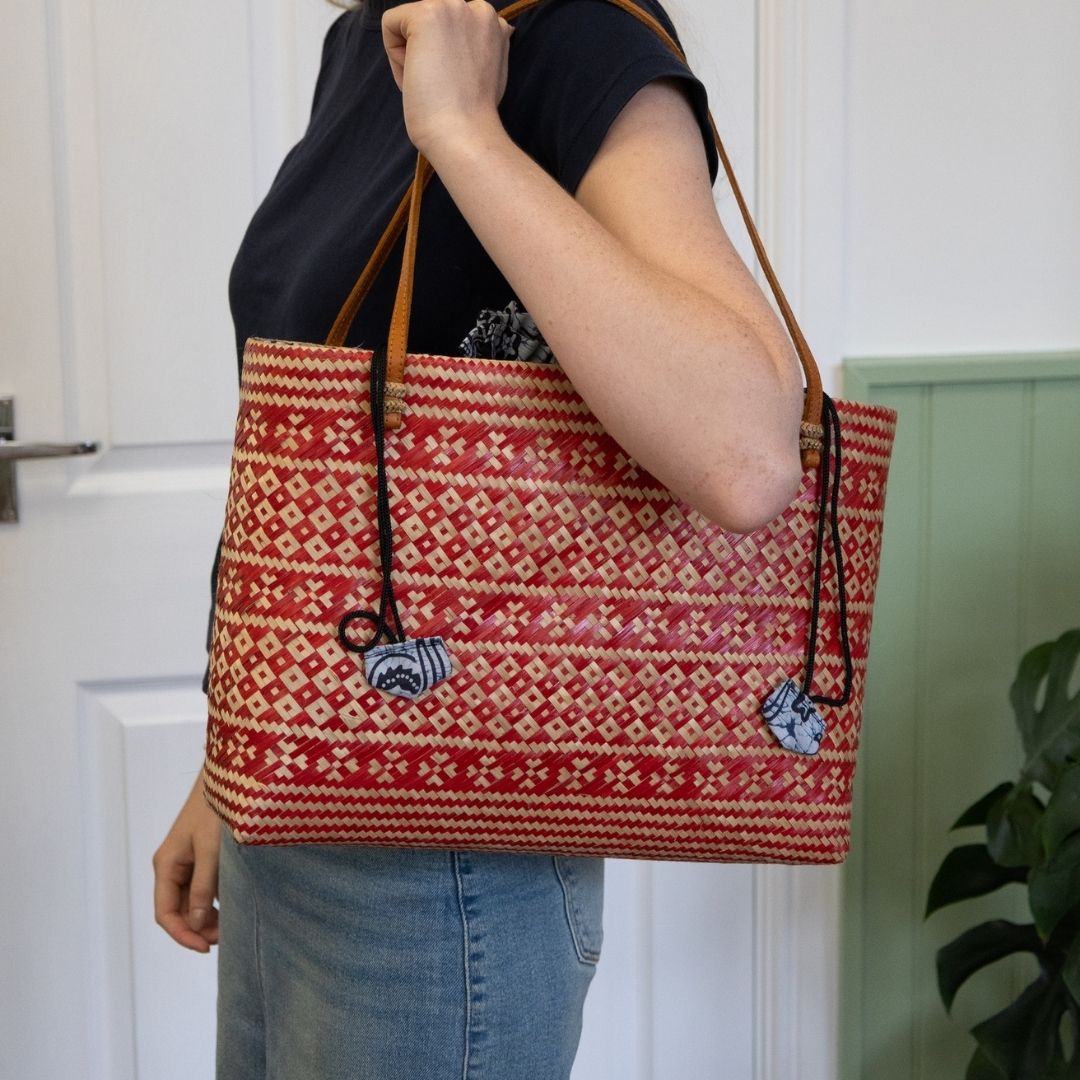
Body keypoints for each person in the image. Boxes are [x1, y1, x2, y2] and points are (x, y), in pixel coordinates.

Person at [153, 1, 805, 1077]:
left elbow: (747, 456)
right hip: (296, 796)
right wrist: (230, 761)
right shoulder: (365, 41)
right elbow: (317, 468)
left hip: (438, 865)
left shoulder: (583, 40)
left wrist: (462, 131)